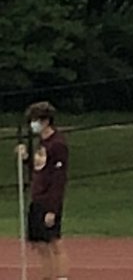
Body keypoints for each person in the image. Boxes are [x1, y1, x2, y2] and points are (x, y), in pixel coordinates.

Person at [21, 101, 69, 280]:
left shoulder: (57, 144)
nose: (33, 125)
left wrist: (52, 209)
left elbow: (58, 178)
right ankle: (47, 277)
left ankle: (61, 277)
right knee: (40, 243)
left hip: (49, 199)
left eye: (35, 120)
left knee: (54, 242)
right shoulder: (42, 142)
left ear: (46, 121)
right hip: (37, 196)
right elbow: (40, 167)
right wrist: (26, 159)